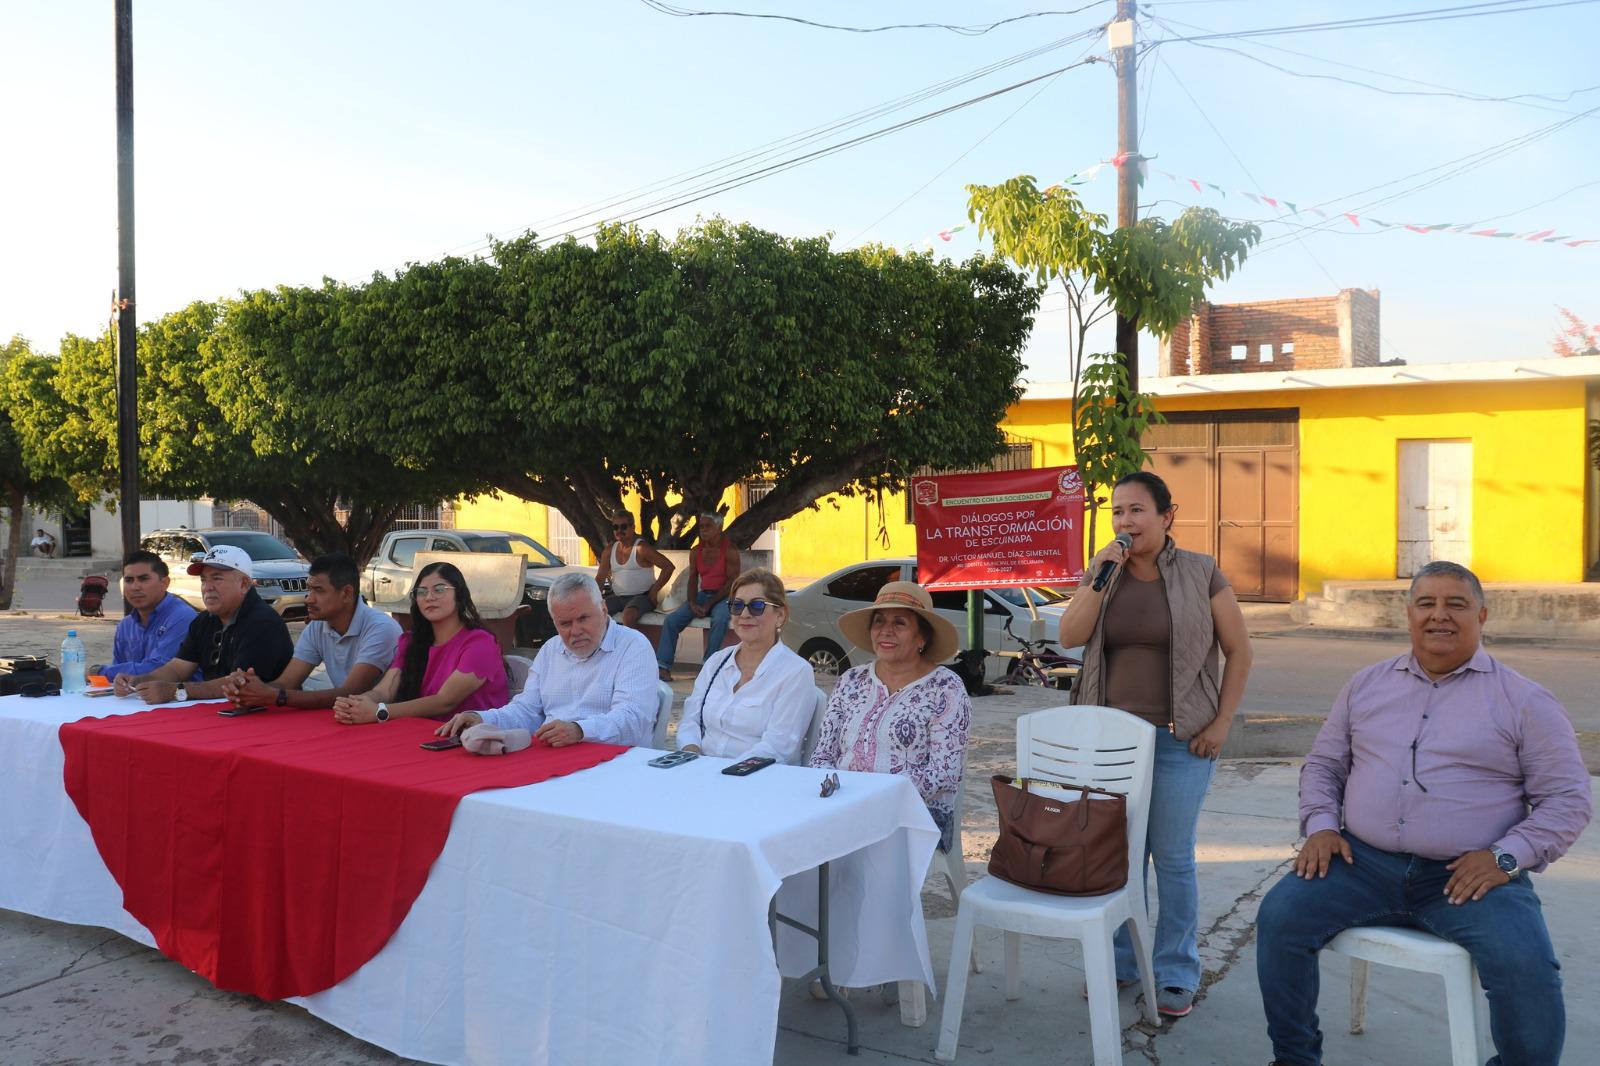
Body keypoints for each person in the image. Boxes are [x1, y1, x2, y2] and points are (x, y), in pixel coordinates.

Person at [1255, 562, 1591, 1066]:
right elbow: (1325, 764)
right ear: (1407, 613)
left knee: (1528, 968)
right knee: (1280, 917)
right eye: (1426, 603)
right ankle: (1295, 1057)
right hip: (1360, 865)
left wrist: (1505, 859)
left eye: (1456, 604)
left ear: (1481, 615)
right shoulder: (1366, 685)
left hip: (1469, 877)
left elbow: (1568, 799)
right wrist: (1322, 825)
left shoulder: (1524, 701)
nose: (1440, 616)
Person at [1056, 470, 1253, 1018]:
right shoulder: (1104, 572)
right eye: (1118, 511)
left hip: (1179, 741)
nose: (1125, 521)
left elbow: (1239, 651)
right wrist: (1099, 577)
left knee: (1170, 859)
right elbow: (1069, 637)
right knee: (1117, 861)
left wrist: (1221, 723)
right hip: (1109, 744)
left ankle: (1174, 972)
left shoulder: (1200, 573)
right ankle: (1121, 963)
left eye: (1138, 510)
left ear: (1168, 517)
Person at [809, 581, 972, 851]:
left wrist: (876, 796)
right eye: (879, 621)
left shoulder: (946, 688)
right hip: (841, 802)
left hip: (912, 812)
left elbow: (945, 773)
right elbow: (822, 752)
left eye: (900, 623)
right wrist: (837, 790)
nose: (886, 630)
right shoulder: (852, 680)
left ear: (923, 637)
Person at [437, 573, 658, 747]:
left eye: (583, 618)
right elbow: (526, 711)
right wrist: (482, 719)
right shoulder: (551, 650)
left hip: (616, 763)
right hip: (555, 757)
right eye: (565, 623)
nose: (576, 631)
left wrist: (579, 731)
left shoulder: (633, 646)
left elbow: (632, 720)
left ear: (603, 609)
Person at [112, 545, 294, 703]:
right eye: (204, 579)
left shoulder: (262, 622)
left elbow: (239, 682)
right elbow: (177, 668)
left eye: (217, 578)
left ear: (244, 584)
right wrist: (138, 680)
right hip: (220, 711)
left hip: (266, 718)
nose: (207, 587)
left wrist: (176, 691)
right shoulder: (204, 620)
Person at [331, 561, 507, 724]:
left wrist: (380, 712)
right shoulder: (411, 641)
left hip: (472, 740)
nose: (429, 597)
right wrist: (360, 703)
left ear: (459, 595)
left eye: (439, 589)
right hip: (420, 734)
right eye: (421, 592)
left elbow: (445, 701)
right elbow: (385, 691)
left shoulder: (480, 643)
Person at [221, 553, 401, 710]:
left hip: (390, 722)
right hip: (350, 715)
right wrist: (247, 688)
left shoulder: (381, 628)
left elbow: (350, 692)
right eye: (309, 589)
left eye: (318, 590)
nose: (309, 599)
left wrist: (274, 696)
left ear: (346, 593)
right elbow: (286, 683)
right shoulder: (318, 626)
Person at [677, 567, 815, 764]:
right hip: (701, 771)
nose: (745, 614)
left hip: (757, 780)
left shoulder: (795, 672)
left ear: (780, 615)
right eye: (737, 605)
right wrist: (691, 754)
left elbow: (777, 747)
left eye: (757, 606)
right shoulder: (717, 662)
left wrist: (720, 775)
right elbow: (691, 721)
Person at [655, 511, 741, 682]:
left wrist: (709, 604)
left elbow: (732, 583)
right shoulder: (696, 551)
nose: (703, 530)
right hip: (703, 595)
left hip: (724, 597)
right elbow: (693, 578)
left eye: (708, 526)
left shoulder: (729, 551)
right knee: (671, 621)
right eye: (701, 526)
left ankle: (708, 667)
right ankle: (663, 667)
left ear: (719, 528)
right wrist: (693, 602)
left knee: (720, 620)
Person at [94, 550, 198, 680]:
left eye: (143, 579)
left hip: (179, 698)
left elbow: (159, 669)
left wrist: (100, 671)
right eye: (129, 580)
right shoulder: (125, 625)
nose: (135, 587)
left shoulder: (182, 617)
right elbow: (120, 677)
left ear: (165, 583)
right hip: (137, 697)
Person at [594, 511, 675, 628]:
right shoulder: (609, 550)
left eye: (623, 526)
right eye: (615, 527)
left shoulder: (641, 548)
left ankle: (632, 645)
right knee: (596, 613)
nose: (619, 530)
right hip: (618, 598)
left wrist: (654, 591)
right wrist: (595, 599)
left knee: (628, 616)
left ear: (633, 527)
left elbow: (668, 567)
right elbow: (600, 578)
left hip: (642, 597)